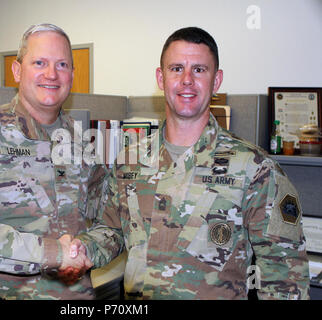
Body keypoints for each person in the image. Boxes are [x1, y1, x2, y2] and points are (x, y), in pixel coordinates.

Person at [67, 27, 310, 299]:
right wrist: (83, 249)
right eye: (176, 68)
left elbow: (285, 278)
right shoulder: (128, 161)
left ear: (216, 81)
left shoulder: (255, 169)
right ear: (161, 77)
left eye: (199, 70)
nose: (186, 80)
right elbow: (112, 230)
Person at [0, 23, 99, 300]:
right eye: (39, 62)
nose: (51, 74)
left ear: (72, 73)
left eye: (62, 64)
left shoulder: (82, 143)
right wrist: (56, 254)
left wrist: (89, 250)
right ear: (17, 70)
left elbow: (107, 217)